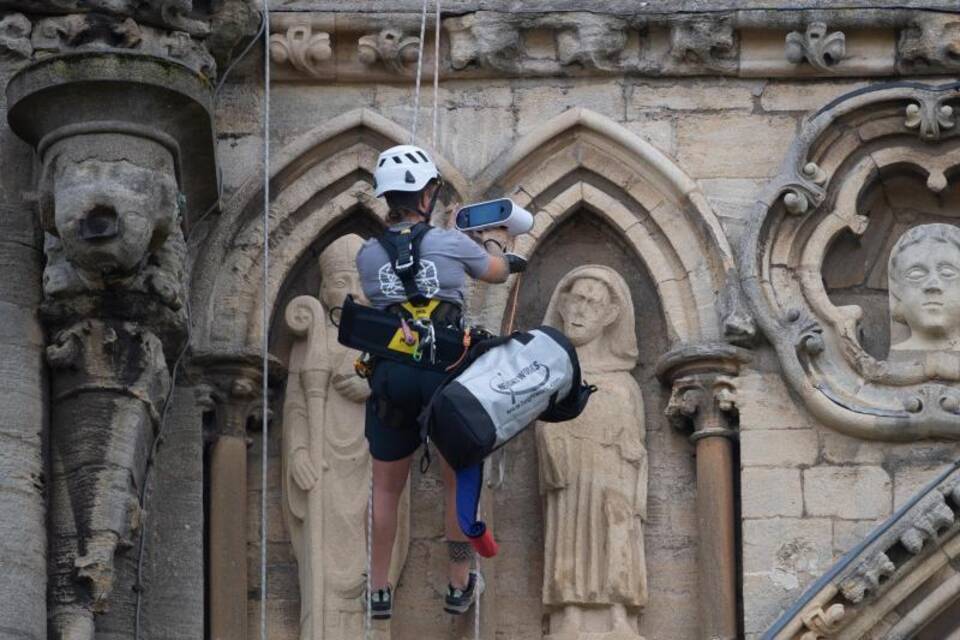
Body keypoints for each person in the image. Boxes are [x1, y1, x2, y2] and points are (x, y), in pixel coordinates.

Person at [355, 144, 524, 620]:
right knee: (455, 482)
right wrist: (494, 241)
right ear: (428, 194)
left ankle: (379, 589)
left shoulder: (368, 255)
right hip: (443, 375)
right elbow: (496, 273)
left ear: (388, 198)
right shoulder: (450, 243)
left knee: (387, 488)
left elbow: (379, 296)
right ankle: (457, 583)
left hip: (390, 373)